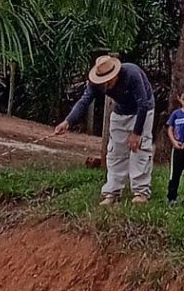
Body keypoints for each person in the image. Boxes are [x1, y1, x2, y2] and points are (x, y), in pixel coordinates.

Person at [54, 55, 156, 205]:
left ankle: (141, 192)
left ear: (116, 74)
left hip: (143, 111)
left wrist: (136, 133)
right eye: (103, 81)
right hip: (120, 111)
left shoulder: (132, 74)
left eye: (109, 80)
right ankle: (112, 192)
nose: (106, 84)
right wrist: (68, 121)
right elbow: (84, 101)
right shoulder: (96, 83)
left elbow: (143, 104)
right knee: (115, 152)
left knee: (140, 149)